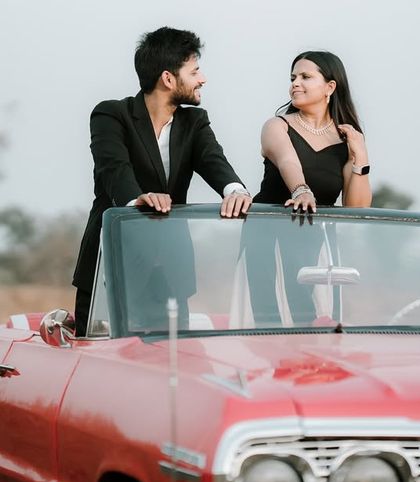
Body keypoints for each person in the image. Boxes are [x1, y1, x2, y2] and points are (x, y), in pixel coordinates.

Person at [73, 26, 251, 336]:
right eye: (194, 71)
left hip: (171, 272)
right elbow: (114, 170)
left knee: (170, 366)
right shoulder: (111, 115)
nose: (202, 79)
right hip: (111, 266)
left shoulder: (195, 122)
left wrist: (235, 190)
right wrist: (135, 201)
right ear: (168, 79)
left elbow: (214, 160)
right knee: (101, 366)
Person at [253, 51, 372, 211]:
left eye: (305, 77)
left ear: (330, 87)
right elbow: (287, 161)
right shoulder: (276, 125)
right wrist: (301, 192)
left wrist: (361, 157)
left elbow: (357, 208)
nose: (295, 83)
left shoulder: (347, 140)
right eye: (293, 78)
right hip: (268, 230)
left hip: (319, 234)